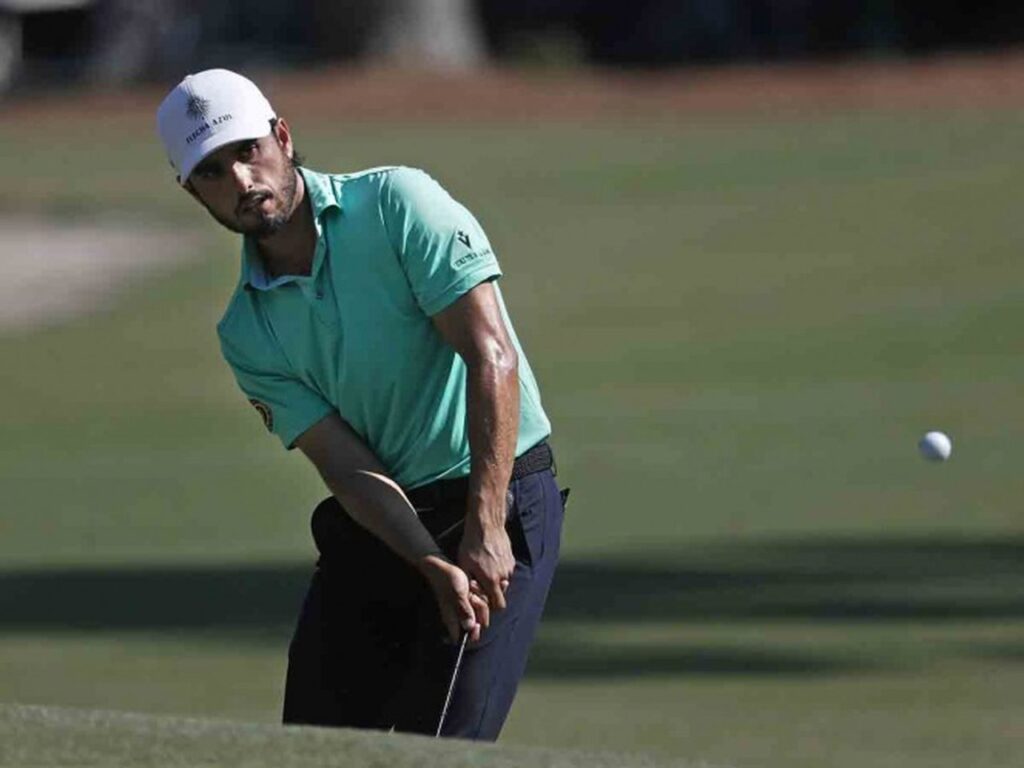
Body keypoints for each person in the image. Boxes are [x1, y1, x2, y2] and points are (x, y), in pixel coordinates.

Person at [156, 69, 566, 740]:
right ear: (189, 189)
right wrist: (426, 562)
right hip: (384, 526)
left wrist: (485, 529)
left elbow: (491, 355)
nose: (239, 180)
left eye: (247, 151)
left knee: (437, 745)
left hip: (498, 496)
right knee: (316, 743)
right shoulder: (245, 331)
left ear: (282, 137)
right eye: (210, 171)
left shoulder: (398, 203)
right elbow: (345, 466)